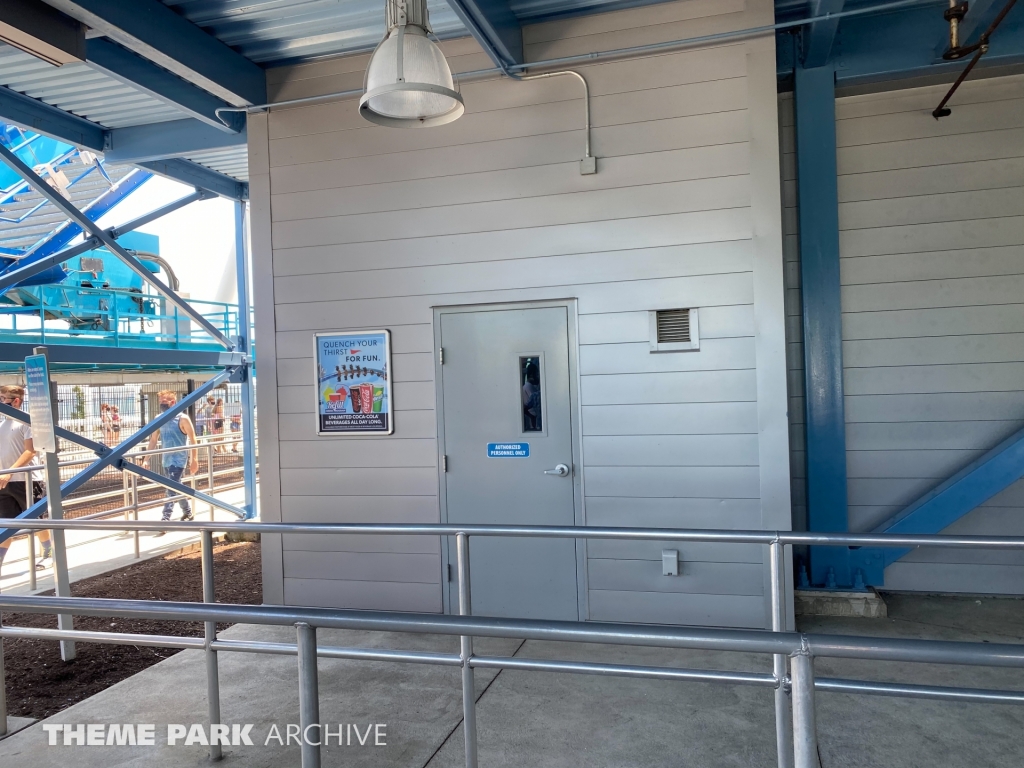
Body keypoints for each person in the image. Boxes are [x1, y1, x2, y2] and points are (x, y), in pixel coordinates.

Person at [0, 385, 52, 573]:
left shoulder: (26, 421)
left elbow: (30, 451)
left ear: (15, 401)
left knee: (37, 520)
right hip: (5, 481)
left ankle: (48, 553)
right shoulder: (3, 424)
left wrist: (10, 471)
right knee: (5, 522)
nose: (1, 401)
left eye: (3, 397)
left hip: (28, 480)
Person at [147, 390, 198, 535]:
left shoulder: (183, 419)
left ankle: (165, 519)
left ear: (173, 403)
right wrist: (146, 459)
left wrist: (194, 460)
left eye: (165, 401)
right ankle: (188, 512)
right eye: (161, 402)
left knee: (170, 488)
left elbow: (193, 439)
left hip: (179, 459)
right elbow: (153, 439)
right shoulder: (158, 418)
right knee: (177, 486)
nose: (162, 404)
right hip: (166, 459)